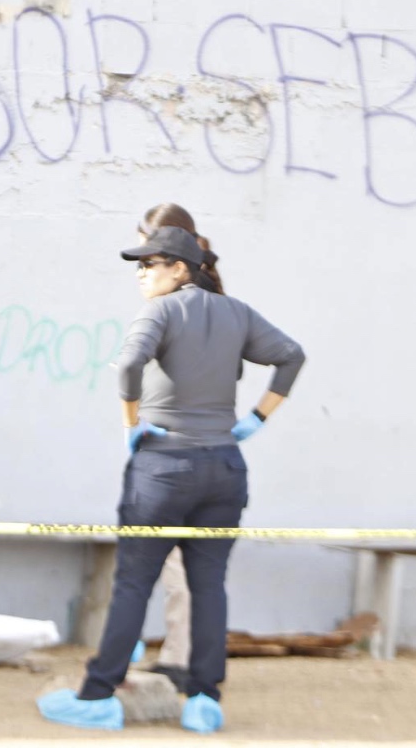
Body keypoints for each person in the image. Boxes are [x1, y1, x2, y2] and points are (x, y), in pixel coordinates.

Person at [39, 223, 305, 734]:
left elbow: (128, 366)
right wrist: (257, 418)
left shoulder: (160, 311)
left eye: (149, 264)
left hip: (163, 468)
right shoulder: (237, 311)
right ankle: (204, 700)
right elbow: (292, 355)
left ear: (180, 269)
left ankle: (98, 696)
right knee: (209, 587)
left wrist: (131, 425)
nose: (140, 274)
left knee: (133, 583)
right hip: (224, 467)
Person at [133, 203, 226, 692]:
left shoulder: (182, 302)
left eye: (148, 253)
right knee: (184, 562)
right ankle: (185, 658)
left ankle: (181, 660)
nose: (141, 265)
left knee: (176, 562)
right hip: (200, 445)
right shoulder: (202, 296)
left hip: (179, 447)